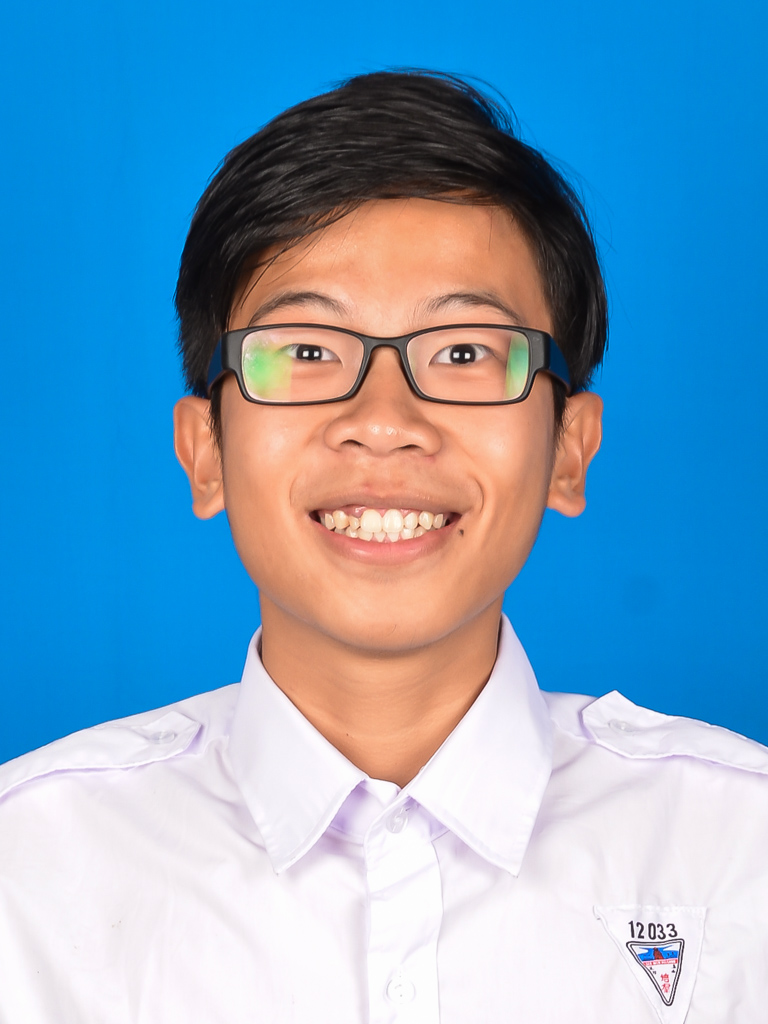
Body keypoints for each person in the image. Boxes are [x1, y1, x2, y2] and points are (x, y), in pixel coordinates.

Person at [0, 70, 766, 1024]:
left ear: (570, 450)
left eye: (464, 353)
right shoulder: (28, 874)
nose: (385, 422)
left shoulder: (741, 852)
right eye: (307, 352)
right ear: (205, 452)